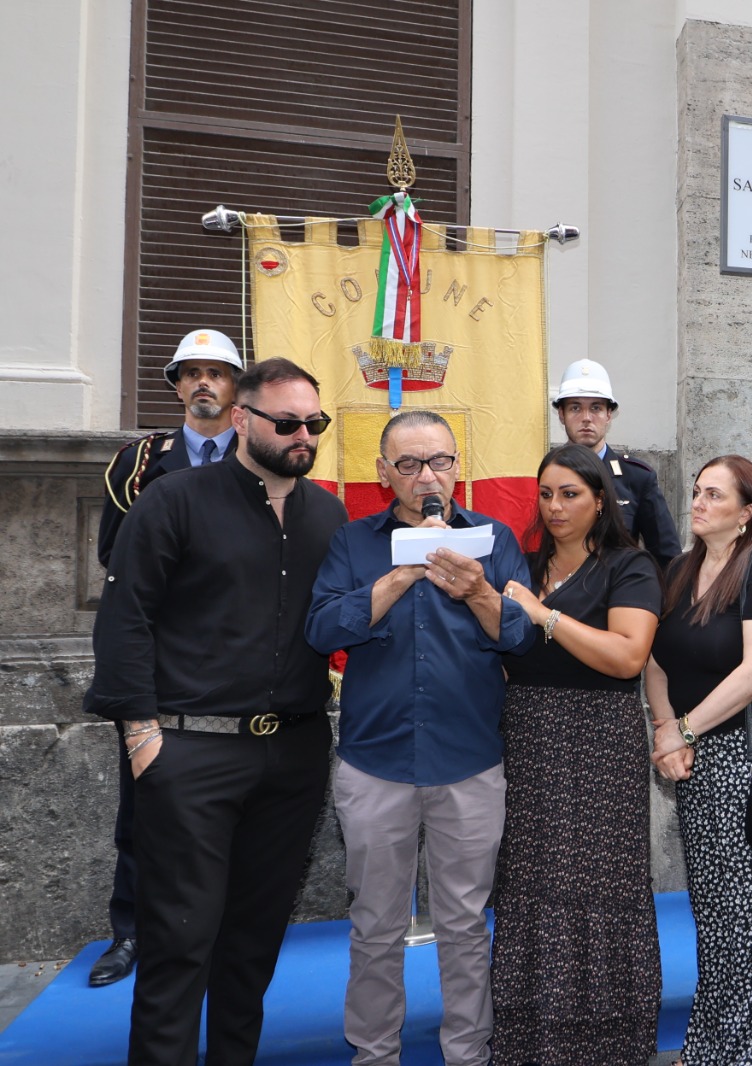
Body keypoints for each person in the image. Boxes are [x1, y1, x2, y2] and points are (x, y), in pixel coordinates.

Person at [83, 357, 347, 1066]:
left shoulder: (328, 514)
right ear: (242, 419)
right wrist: (142, 735)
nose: (303, 435)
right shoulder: (172, 500)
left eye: (314, 423)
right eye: (286, 423)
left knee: (254, 944)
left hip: (293, 756)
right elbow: (125, 619)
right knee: (179, 940)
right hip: (189, 753)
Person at [305, 410, 530, 1066]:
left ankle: (468, 1053)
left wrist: (480, 592)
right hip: (377, 762)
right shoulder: (354, 543)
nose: (427, 476)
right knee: (376, 926)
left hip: (469, 761)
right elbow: (322, 631)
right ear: (384, 473)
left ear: (458, 465)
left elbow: (521, 637)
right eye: (408, 464)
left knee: (464, 924)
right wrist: (403, 571)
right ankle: (375, 1054)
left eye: (439, 461)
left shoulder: (493, 539)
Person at [492, 443, 663, 1066]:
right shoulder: (522, 565)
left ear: (599, 501)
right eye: (546, 494)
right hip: (529, 742)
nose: (555, 506)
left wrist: (543, 616)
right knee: (532, 880)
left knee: (598, 883)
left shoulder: (629, 566)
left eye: (570, 494)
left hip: (600, 744)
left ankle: (606, 1045)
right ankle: (530, 1040)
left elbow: (628, 657)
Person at [88, 328, 244, 989]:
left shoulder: (261, 454)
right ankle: (132, 931)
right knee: (145, 805)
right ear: (177, 386)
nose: (204, 382)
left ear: (237, 388)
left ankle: (222, 933)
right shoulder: (140, 460)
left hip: (235, 660)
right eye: (192, 372)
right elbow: (116, 557)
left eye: (218, 372)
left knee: (237, 813)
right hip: (160, 660)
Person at [646, 455, 752, 1066]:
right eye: (697, 491)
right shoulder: (680, 569)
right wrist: (667, 731)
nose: (699, 502)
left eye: (715, 494)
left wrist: (682, 730)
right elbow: (656, 662)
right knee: (712, 913)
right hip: (695, 757)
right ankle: (710, 1046)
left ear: (746, 512)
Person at [553, 358, 682, 569]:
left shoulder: (637, 478)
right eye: (575, 408)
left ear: (608, 414)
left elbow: (667, 557)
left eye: (596, 408)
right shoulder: (548, 474)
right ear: (561, 414)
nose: (586, 418)